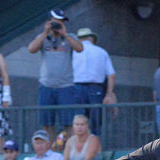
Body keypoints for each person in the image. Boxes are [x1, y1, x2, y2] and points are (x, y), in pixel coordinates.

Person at [27, 8, 83, 145]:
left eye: (62, 21)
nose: (59, 24)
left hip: (66, 86)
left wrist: (65, 34)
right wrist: (45, 32)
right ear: (49, 22)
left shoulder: (70, 37)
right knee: (47, 123)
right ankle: (49, 149)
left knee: (68, 123)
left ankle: (69, 150)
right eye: (56, 22)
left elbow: (80, 48)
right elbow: (31, 49)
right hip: (46, 85)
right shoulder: (43, 37)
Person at [72, 27, 116, 134]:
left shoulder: (74, 52)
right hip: (96, 88)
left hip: (77, 88)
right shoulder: (101, 52)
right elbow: (111, 75)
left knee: (79, 120)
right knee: (96, 120)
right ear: (91, 38)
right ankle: (95, 141)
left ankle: (80, 142)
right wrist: (109, 93)